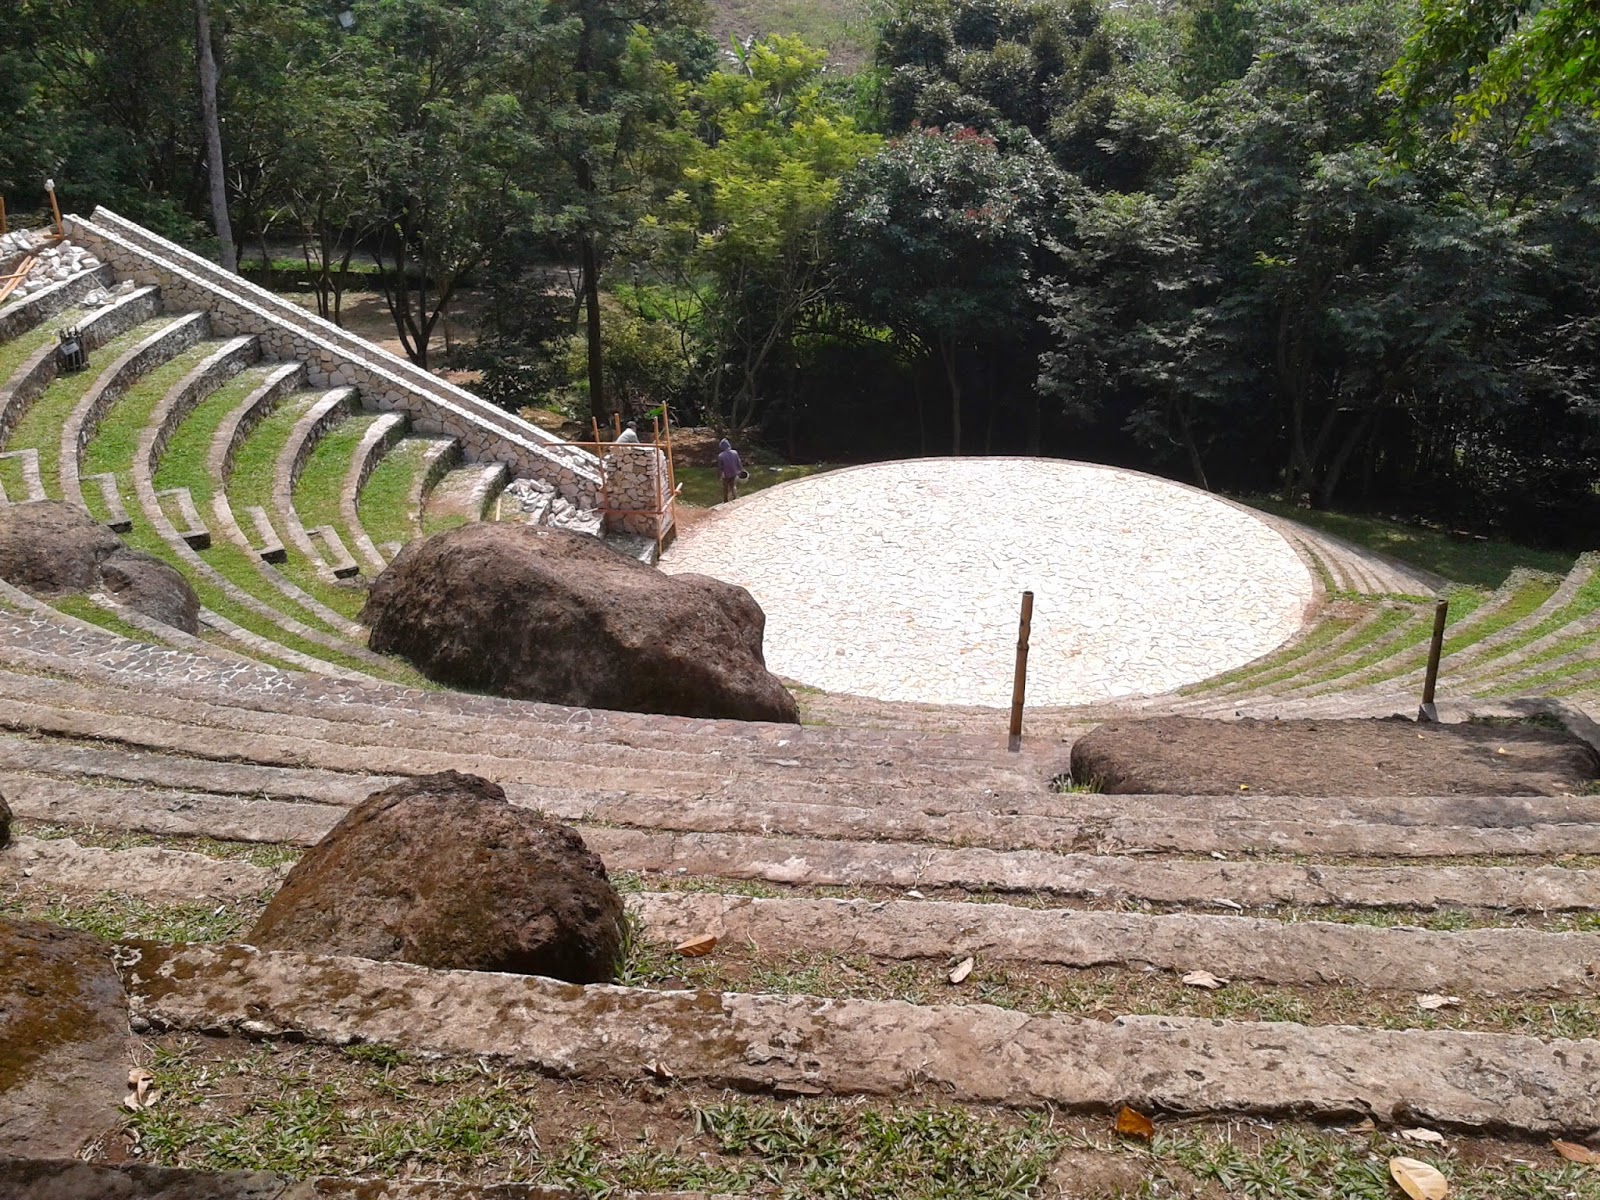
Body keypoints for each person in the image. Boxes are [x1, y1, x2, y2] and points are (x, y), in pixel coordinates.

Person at [717, 437, 743, 503]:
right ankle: (735, 497)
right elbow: (738, 462)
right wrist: (741, 469)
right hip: (734, 472)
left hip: (726, 474)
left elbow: (720, 468)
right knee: (733, 485)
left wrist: (719, 476)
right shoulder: (735, 452)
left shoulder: (721, 456)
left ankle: (726, 500)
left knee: (726, 488)